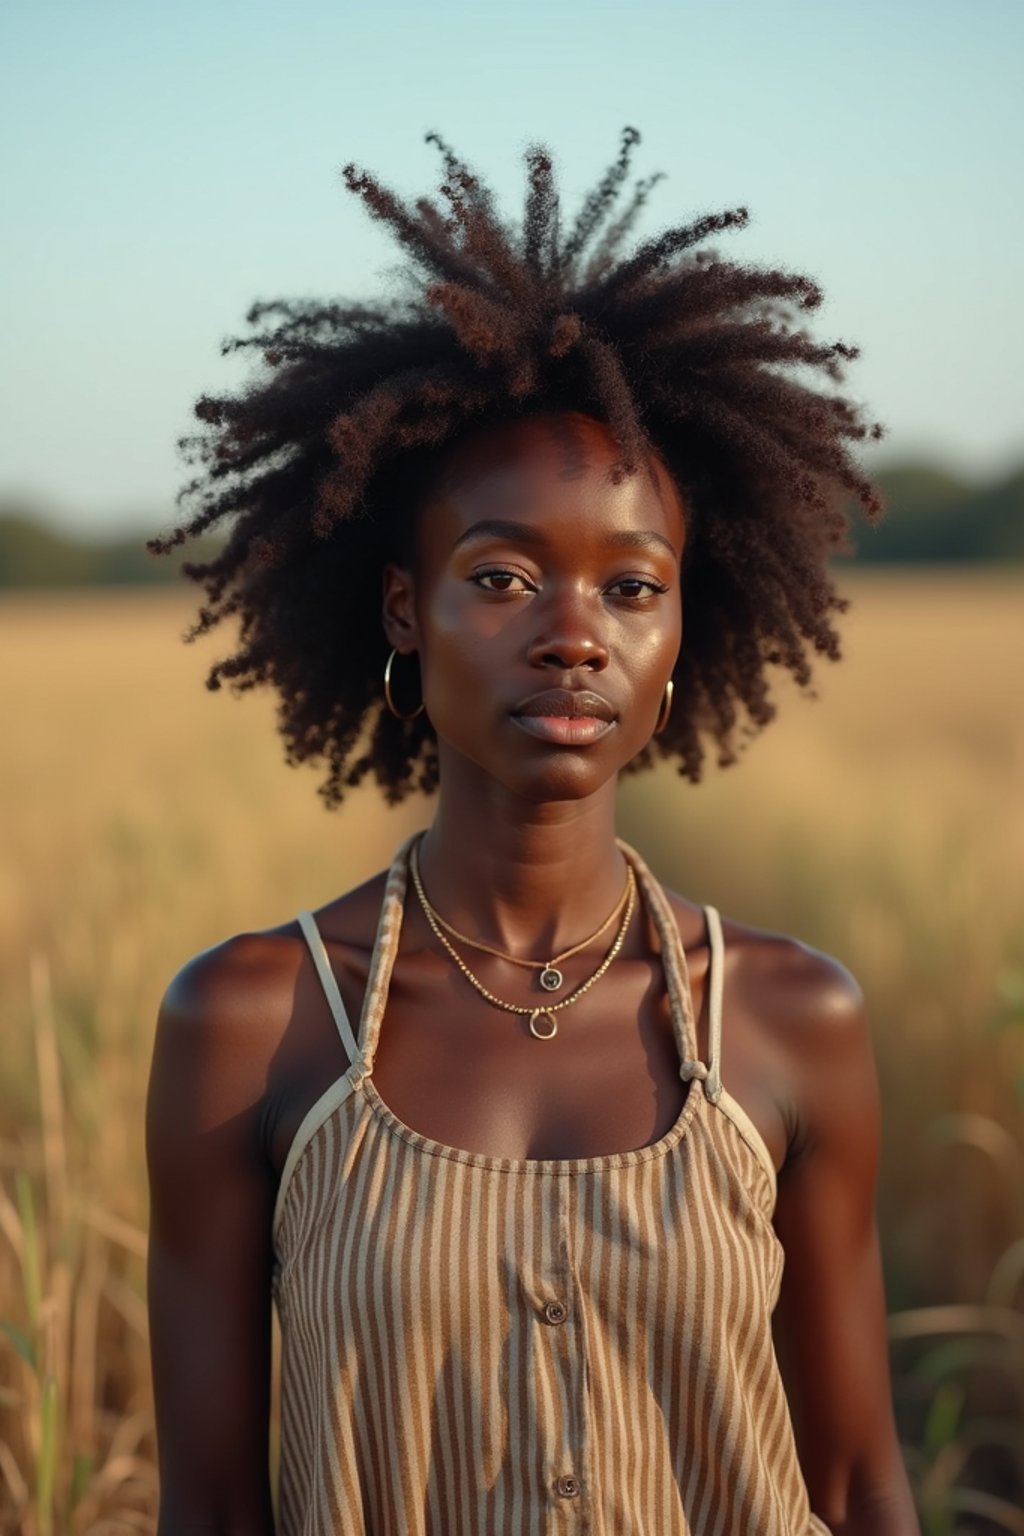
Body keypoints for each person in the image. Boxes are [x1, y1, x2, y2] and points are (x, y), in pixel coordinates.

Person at [144, 128, 920, 1534]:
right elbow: (206, 1507)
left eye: (632, 587)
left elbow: (861, 1486)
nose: (573, 638)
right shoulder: (254, 1021)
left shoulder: (795, 1017)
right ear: (401, 610)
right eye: (501, 576)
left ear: (685, 626)